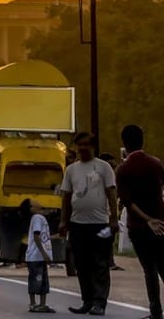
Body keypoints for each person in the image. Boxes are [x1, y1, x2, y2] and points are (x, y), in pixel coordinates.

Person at [59, 132, 118, 316]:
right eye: (79, 145)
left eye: (86, 145)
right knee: (82, 264)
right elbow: (66, 197)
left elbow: (111, 193)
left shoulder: (103, 167)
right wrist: (63, 221)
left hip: (100, 224)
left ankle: (100, 302)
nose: (82, 148)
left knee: (100, 264)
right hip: (78, 224)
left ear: (93, 146)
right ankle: (87, 300)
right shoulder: (71, 170)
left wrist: (114, 219)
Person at [115, 125, 164, 319]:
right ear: (142, 141)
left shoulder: (123, 169)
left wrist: (147, 219)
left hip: (139, 225)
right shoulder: (155, 163)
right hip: (161, 223)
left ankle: (156, 312)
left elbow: (127, 201)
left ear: (124, 144)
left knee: (149, 270)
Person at [18, 198, 56, 313]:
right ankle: (33, 303)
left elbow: (43, 237)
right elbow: (36, 236)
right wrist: (45, 254)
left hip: (38, 257)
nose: (37, 201)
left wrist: (56, 237)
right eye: (34, 202)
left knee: (43, 280)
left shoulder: (39, 218)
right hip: (36, 257)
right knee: (36, 280)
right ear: (32, 209)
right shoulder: (37, 218)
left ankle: (42, 304)